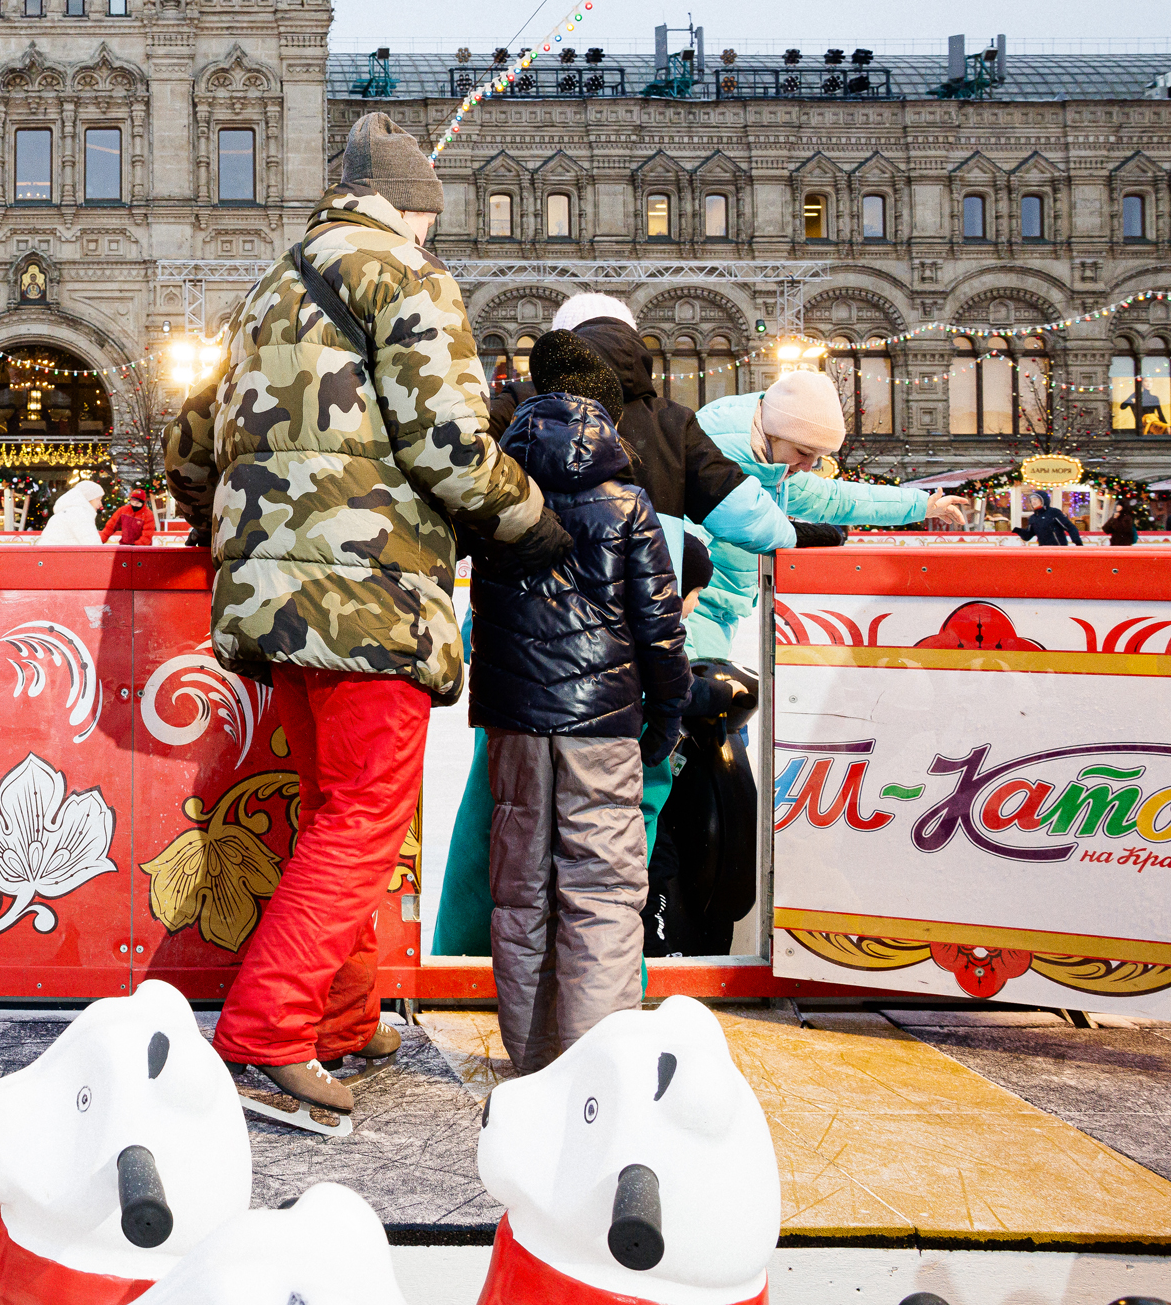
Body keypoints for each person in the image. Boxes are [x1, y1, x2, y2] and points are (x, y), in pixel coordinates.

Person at [166, 110, 563, 1118]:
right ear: (413, 209)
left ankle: (340, 1015)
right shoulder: (407, 276)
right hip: (368, 591)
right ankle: (268, 1031)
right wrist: (531, 518)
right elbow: (446, 445)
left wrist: (245, 537)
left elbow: (188, 444)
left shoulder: (269, 284)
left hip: (273, 597)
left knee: (332, 812)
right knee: (360, 818)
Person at [439, 293, 797, 958]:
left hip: (518, 653)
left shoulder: (520, 410)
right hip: (623, 663)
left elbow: (456, 485)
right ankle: (607, 972)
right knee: (625, 818)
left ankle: (467, 956)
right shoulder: (672, 422)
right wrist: (804, 533)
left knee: (501, 808)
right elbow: (753, 518)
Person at [470, 331, 688, 1073]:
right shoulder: (627, 504)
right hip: (605, 720)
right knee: (602, 890)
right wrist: (667, 716)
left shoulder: (499, 497)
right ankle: (597, 1070)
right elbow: (660, 628)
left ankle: (532, 1062)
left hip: (514, 722)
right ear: (609, 421)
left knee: (521, 892)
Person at [688, 370, 971, 659]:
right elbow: (677, 550)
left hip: (716, 609)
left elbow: (834, 499)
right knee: (689, 695)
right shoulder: (713, 458)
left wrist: (920, 505)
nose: (809, 466)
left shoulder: (772, 467)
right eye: (803, 451)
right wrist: (678, 609)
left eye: (817, 457)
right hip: (690, 611)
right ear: (773, 431)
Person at [38, 476, 105, 543]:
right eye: (98, 499)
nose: (100, 504)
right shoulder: (80, 514)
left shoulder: (69, 512)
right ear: (88, 497)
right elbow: (93, 545)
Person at [1017, 489, 1084, 547]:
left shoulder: (1053, 512)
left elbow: (1070, 527)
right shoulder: (1033, 518)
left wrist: (1078, 542)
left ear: (1043, 500)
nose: (1033, 502)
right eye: (1031, 500)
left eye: (1035, 499)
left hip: (1059, 549)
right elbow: (1027, 536)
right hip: (1043, 550)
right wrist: (1017, 530)